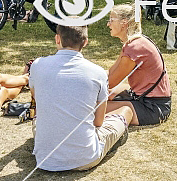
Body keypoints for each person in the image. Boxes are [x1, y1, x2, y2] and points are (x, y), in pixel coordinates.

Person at [29, 24, 133, 171]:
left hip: (45, 159)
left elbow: (36, 97)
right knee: (126, 111)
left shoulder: (37, 65)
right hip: (85, 159)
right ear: (85, 42)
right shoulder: (98, 73)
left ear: (57, 39)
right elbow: (98, 122)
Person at [106, 3, 171, 126]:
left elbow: (110, 81)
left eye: (111, 20)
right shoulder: (133, 43)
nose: (108, 24)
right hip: (146, 98)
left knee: (94, 108)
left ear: (124, 22)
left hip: (153, 107)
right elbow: (110, 74)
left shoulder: (134, 48)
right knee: (100, 97)